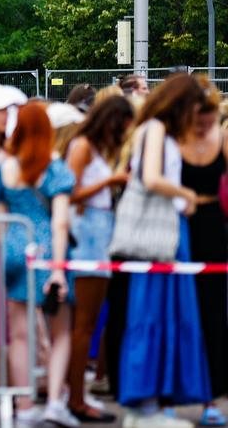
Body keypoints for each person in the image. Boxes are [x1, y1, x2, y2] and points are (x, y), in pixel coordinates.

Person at [104, 73, 209, 428]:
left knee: (153, 315)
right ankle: (144, 409)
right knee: (154, 313)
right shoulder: (159, 130)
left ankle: (144, 407)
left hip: (161, 230)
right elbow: (151, 178)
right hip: (161, 233)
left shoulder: (152, 128)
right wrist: (186, 194)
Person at [0, 102, 78, 428]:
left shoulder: (5, 167)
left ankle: (24, 408)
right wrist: (57, 267)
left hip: (14, 249)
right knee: (60, 333)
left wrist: (8, 248)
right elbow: (60, 223)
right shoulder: (55, 169)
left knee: (19, 336)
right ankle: (55, 401)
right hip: (46, 250)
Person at [65, 96, 135, 423]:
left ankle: (76, 394)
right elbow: (67, 192)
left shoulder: (92, 148)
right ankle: (76, 399)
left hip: (98, 231)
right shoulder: (83, 147)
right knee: (83, 324)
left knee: (86, 322)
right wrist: (110, 181)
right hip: (88, 234)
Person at [178, 79, 228, 426]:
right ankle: (171, 395)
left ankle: (211, 398)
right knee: (178, 313)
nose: (205, 125)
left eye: (210, 117)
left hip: (212, 228)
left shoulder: (222, 138)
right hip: (177, 231)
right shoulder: (172, 137)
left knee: (213, 315)